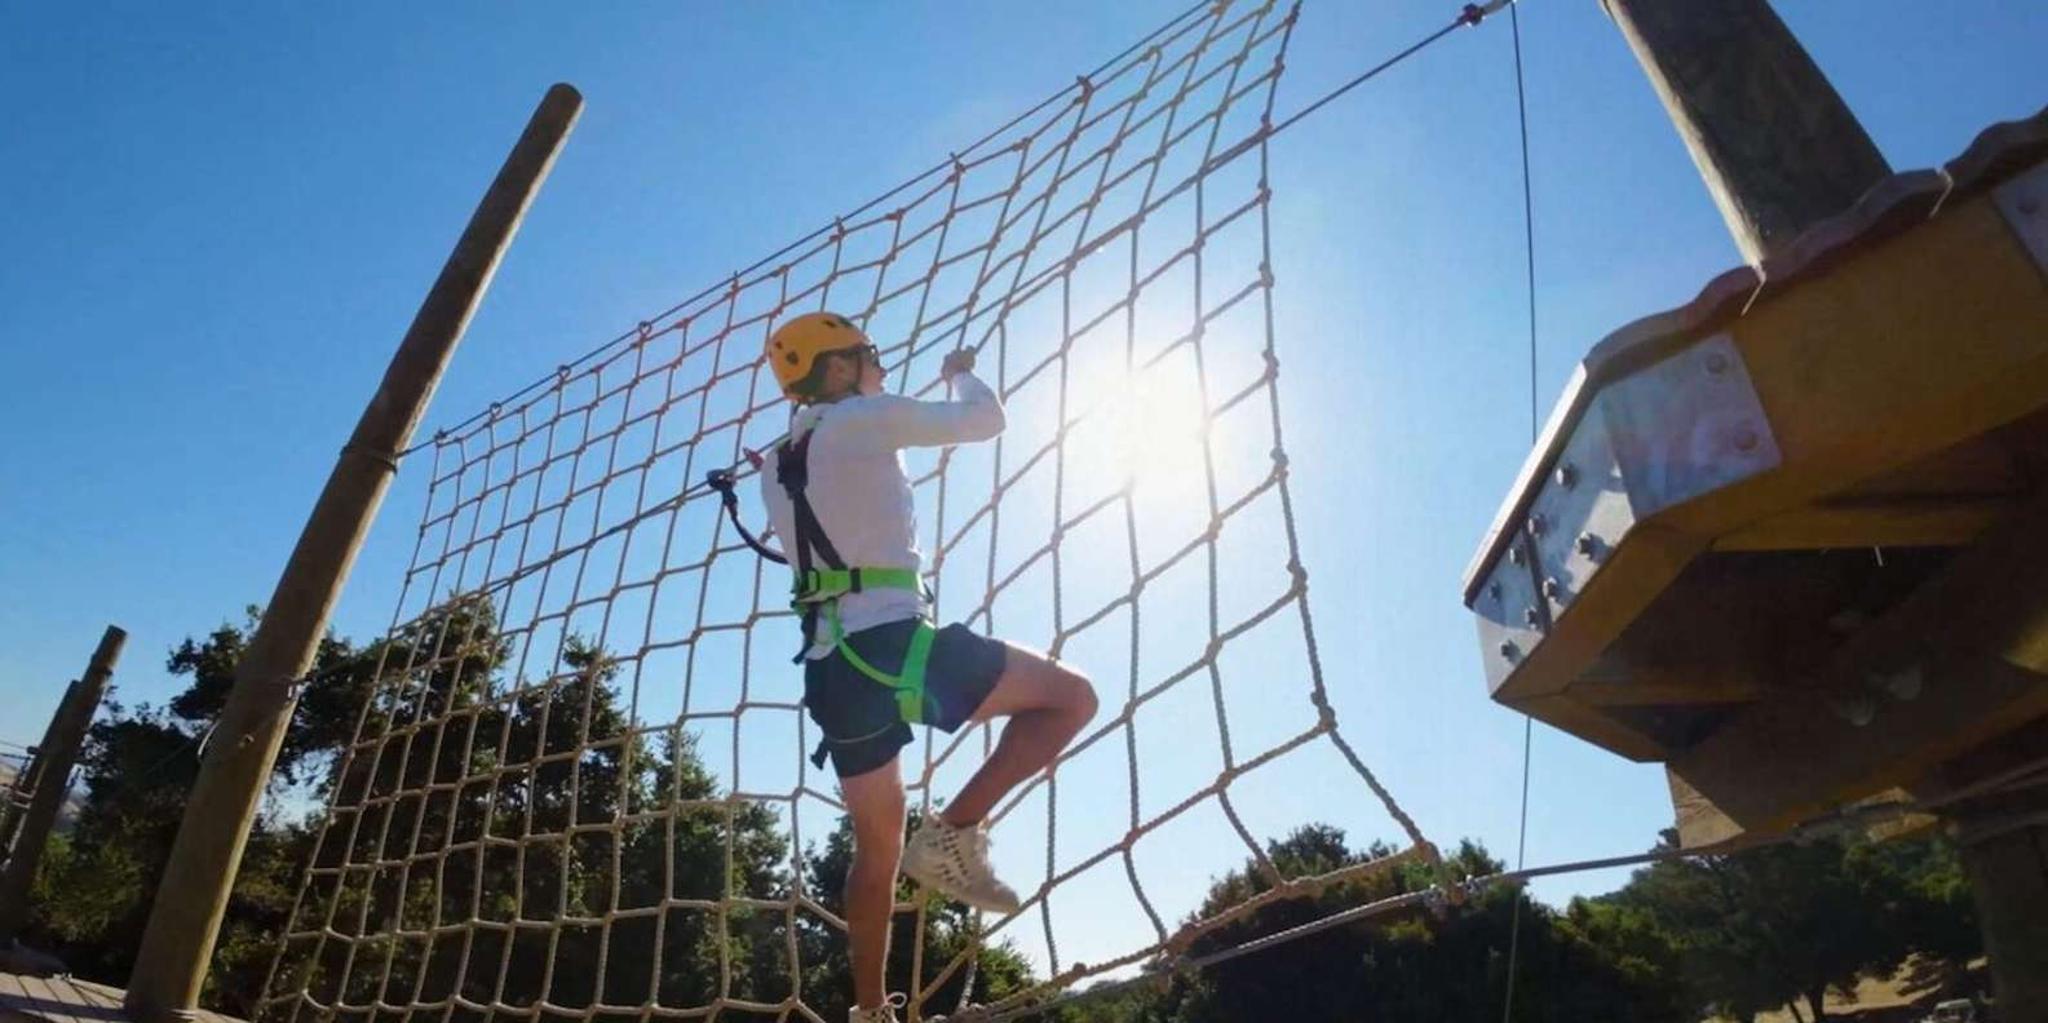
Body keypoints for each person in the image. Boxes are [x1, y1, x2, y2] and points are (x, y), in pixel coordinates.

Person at [753, 312, 1099, 1023]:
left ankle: (872, 1010)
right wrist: (961, 371)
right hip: (896, 648)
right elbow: (984, 420)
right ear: (841, 370)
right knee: (1071, 699)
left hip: (832, 673)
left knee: (874, 849)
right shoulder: (858, 422)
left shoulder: (774, 462)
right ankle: (954, 832)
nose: (878, 364)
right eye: (867, 355)